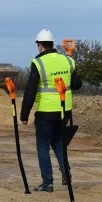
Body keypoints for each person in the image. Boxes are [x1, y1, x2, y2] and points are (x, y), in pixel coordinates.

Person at [20, 29, 82, 192]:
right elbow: (77, 84)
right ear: (52, 44)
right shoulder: (67, 61)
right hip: (64, 109)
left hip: (46, 112)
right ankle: (66, 173)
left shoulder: (38, 63)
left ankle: (47, 183)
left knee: (43, 145)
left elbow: (30, 90)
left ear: (40, 46)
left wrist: (24, 114)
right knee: (59, 141)